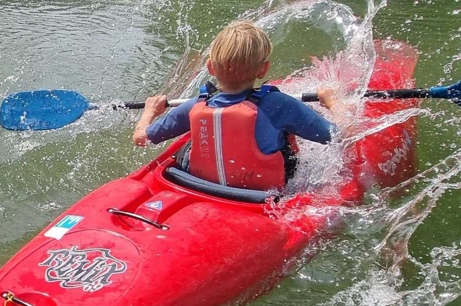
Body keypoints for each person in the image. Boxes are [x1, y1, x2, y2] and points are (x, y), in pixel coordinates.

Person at [133, 20, 343, 191]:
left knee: (191, 143)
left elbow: (141, 138)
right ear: (263, 70)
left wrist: (150, 112)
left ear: (210, 68)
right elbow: (339, 135)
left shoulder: (195, 106)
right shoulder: (278, 105)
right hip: (260, 197)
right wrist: (332, 102)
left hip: (199, 186)